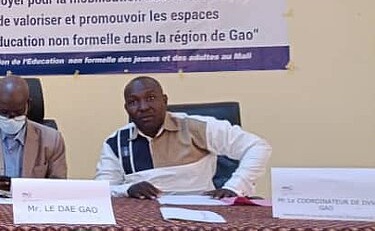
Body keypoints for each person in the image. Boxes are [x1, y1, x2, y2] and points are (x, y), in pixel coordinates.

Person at [95, 76, 272, 199]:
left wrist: (234, 187)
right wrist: (127, 189)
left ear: (164, 101)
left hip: (201, 213)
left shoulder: (196, 127)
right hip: (144, 220)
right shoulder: (115, 143)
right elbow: (101, 191)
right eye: (133, 102)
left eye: (151, 98)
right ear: (126, 108)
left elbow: (257, 147)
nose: (143, 107)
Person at [0, 75, 67, 196]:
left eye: (17, 112)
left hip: (30, 204)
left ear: (28, 105)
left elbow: (59, 185)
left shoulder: (52, 139)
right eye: (4, 112)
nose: (10, 118)